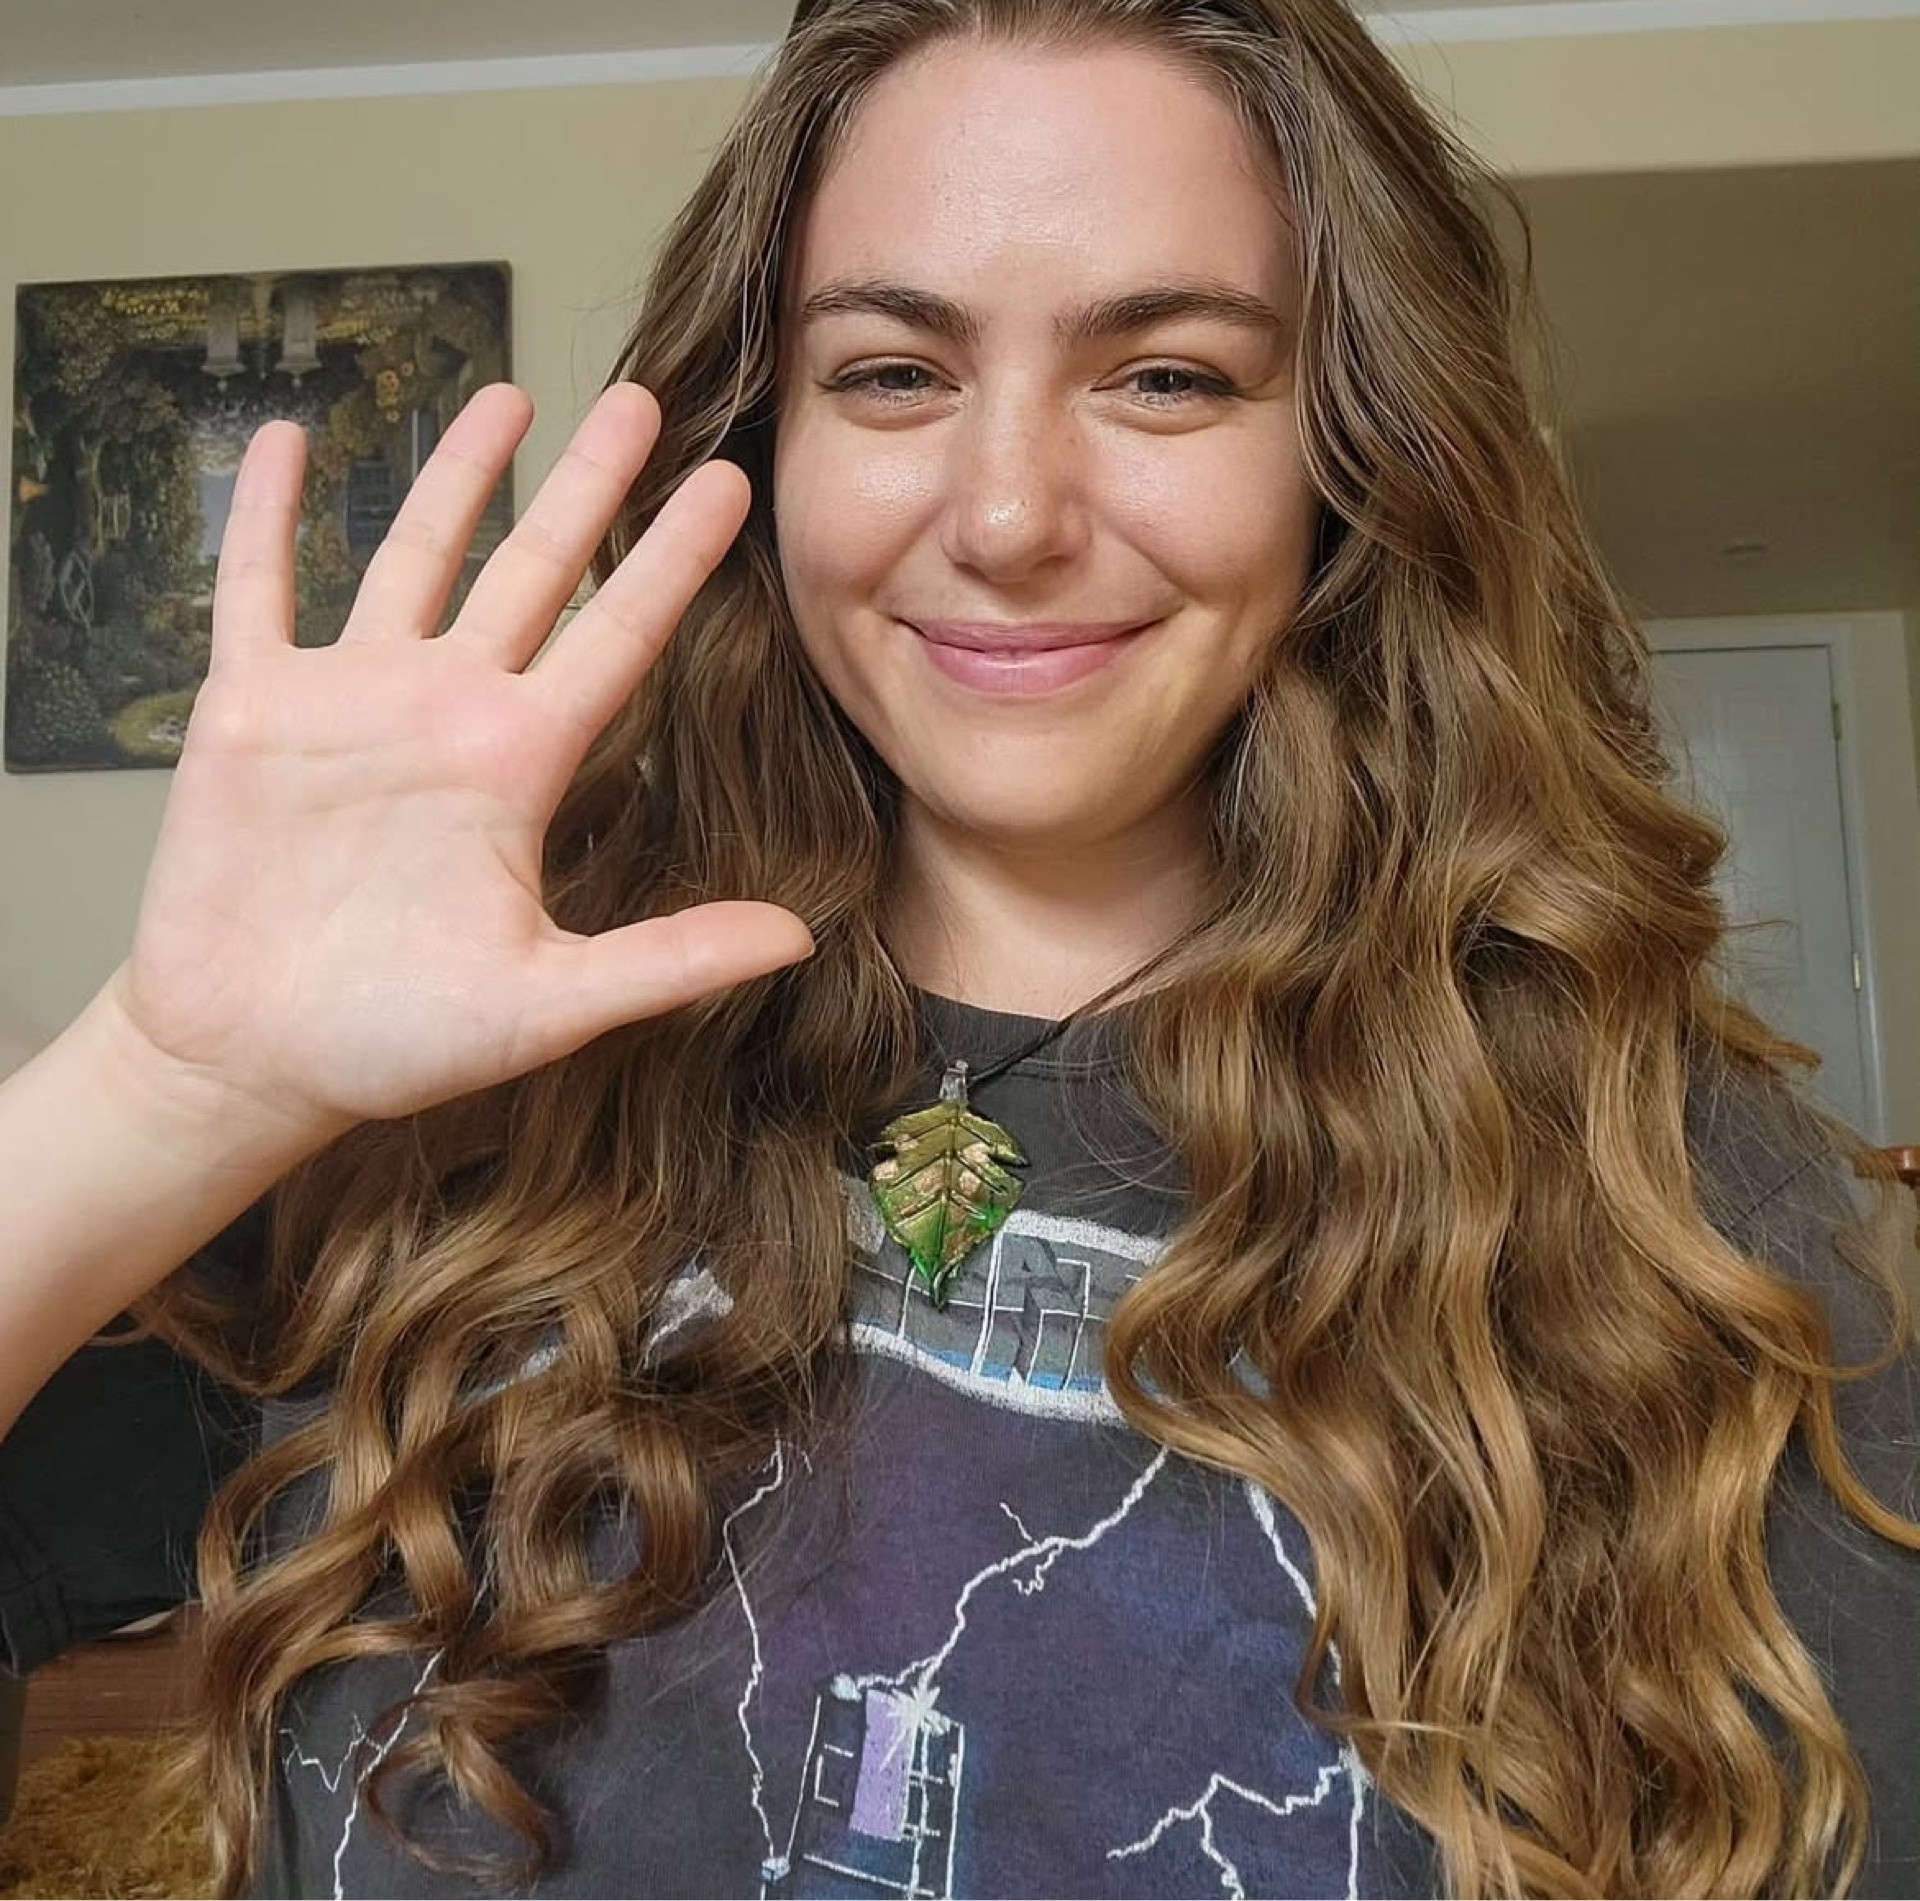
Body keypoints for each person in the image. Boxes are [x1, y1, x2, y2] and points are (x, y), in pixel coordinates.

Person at [2, 0, 1916, 1894]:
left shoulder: (1677, 1213)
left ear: (1348, 451)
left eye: (1166, 376)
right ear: (768, 438)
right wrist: (170, 1083)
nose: (1006, 516)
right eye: (895, 372)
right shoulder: (458, 1049)